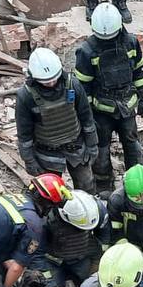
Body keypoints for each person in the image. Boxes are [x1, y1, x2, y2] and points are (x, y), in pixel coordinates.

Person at [75, 3, 143, 193]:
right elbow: (83, 88)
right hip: (101, 112)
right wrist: (87, 116)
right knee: (101, 150)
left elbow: (138, 72)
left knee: (132, 145)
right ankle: (104, 186)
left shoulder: (131, 43)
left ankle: (138, 181)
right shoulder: (87, 51)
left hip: (127, 107)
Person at [16, 47, 98, 193]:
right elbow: (24, 134)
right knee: (50, 193)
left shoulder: (73, 85)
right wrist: (29, 160)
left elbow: (86, 118)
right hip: (46, 153)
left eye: (54, 78)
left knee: (87, 186)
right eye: (46, 81)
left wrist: (92, 145)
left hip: (76, 147)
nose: (52, 83)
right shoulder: (26, 96)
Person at [41, 190, 109, 287]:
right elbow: (37, 254)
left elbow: (104, 236)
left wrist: (100, 259)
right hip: (53, 260)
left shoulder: (98, 211)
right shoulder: (48, 219)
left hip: (82, 256)